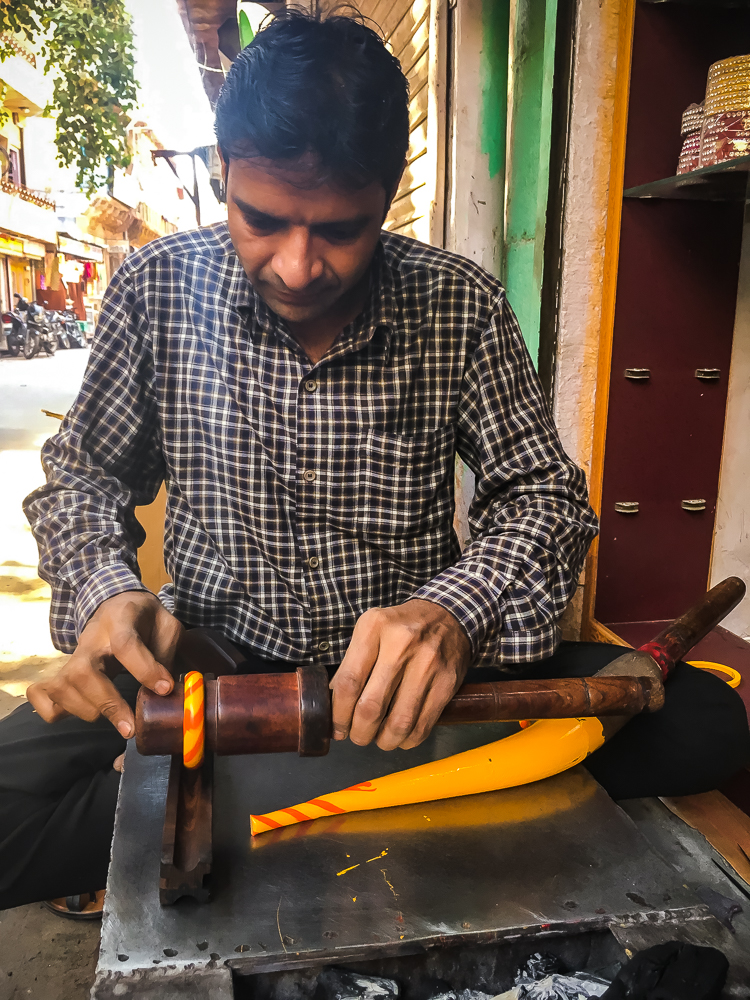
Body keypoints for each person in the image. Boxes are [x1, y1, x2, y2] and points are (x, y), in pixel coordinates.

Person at [1, 9, 747, 913]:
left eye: (340, 230)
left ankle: (231, 800)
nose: (298, 265)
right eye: (262, 219)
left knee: (708, 722)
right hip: (206, 667)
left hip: (400, 698)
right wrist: (104, 595)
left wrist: (452, 613)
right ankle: (291, 793)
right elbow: (82, 473)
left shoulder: (458, 304)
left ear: (388, 193)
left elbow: (546, 499)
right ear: (224, 171)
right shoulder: (156, 287)